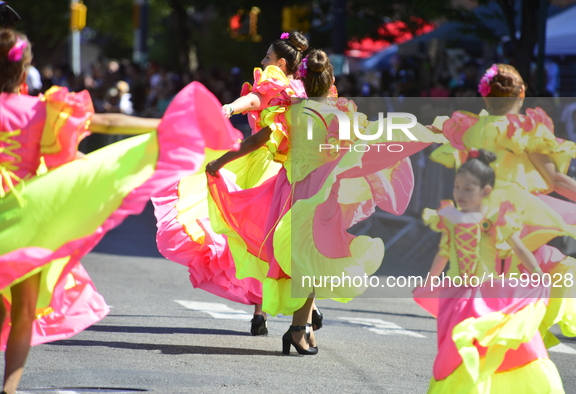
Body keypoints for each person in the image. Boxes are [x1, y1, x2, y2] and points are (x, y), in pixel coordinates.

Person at [0, 28, 240, 394]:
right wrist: (164, 128)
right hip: (25, 219)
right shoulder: (40, 110)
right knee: (22, 312)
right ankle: (10, 390)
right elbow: (104, 124)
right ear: (23, 70)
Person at [205, 49, 446, 353]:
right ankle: (297, 328)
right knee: (314, 260)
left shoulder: (290, 111)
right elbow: (379, 137)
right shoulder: (340, 116)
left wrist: (222, 161)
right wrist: (426, 132)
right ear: (331, 80)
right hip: (321, 197)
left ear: (303, 80)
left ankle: (300, 327)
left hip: (289, 193)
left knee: (304, 259)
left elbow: (256, 141)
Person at [152, 30, 321, 337]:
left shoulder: (277, 81)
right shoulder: (304, 87)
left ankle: (267, 311)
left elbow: (256, 100)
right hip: (294, 170)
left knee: (255, 235)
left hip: (266, 164)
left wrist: (230, 107)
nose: (263, 61)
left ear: (281, 62)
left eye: (268, 56)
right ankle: (299, 312)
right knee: (285, 239)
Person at [428, 63, 576, 346]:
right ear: (521, 94)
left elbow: (445, 136)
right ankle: (518, 336)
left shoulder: (469, 127)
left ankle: (486, 336)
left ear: (485, 97)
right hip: (516, 212)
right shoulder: (525, 130)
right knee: (541, 271)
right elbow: (556, 181)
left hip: (478, 213)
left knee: (488, 277)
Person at [414, 149, 565, 393]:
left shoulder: (494, 218)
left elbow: (518, 248)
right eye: (457, 187)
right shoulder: (449, 217)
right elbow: (444, 251)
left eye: (468, 189)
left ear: (485, 191)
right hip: (456, 294)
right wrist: (430, 281)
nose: (460, 194)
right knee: (456, 348)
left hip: (487, 292)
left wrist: (537, 272)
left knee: (489, 344)